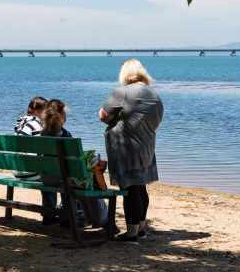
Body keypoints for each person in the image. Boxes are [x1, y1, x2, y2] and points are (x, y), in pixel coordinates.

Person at [99, 59, 163, 245]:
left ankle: (131, 235)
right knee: (141, 187)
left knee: (130, 188)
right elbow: (157, 121)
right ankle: (140, 230)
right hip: (147, 146)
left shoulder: (123, 93)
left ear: (125, 74)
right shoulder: (155, 95)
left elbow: (103, 116)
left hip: (126, 148)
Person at [41, 99, 109, 229]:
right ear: (61, 116)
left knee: (64, 174)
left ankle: (48, 215)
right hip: (61, 180)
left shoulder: (42, 134)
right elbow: (75, 159)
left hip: (45, 178)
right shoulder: (65, 135)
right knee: (79, 180)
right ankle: (70, 218)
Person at [14, 96, 57, 225]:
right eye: (45, 111)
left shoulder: (21, 123)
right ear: (37, 110)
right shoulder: (37, 125)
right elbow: (43, 151)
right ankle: (51, 215)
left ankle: (50, 212)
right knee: (51, 176)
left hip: (18, 171)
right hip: (30, 173)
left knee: (47, 172)